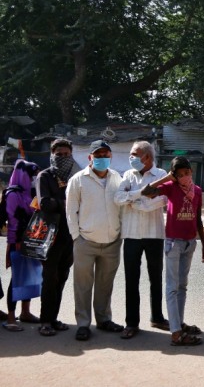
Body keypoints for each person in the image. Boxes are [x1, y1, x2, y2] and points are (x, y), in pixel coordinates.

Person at [142, 156, 204, 346]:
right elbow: (147, 192)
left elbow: (197, 219)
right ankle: (176, 333)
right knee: (172, 287)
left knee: (182, 286)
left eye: (187, 173)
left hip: (189, 242)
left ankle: (178, 323)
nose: (184, 177)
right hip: (173, 243)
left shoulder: (196, 190)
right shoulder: (170, 188)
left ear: (191, 172)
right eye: (179, 175)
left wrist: (203, 244)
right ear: (174, 176)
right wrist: (167, 179)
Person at [66, 140, 124, 341]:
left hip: (112, 242)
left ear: (111, 156)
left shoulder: (117, 178)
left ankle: (104, 319)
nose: (101, 158)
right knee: (82, 285)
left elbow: (122, 206)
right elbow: (71, 211)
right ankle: (83, 324)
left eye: (105, 154)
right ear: (90, 158)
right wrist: (76, 237)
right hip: (85, 241)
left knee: (105, 284)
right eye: (97, 155)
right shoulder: (78, 180)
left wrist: (119, 233)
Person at [114, 141, 170, 339]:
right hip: (131, 235)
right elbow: (118, 198)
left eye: (135, 154)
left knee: (156, 277)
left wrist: (136, 204)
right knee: (131, 280)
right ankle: (132, 323)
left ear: (147, 157)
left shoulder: (161, 175)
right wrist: (139, 194)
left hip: (154, 234)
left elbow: (162, 200)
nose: (132, 158)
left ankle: (157, 316)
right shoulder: (129, 175)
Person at [36, 139, 76, 336]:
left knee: (62, 278)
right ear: (52, 155)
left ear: (71, 155)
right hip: (50, 237)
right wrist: (67, 203)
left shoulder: (75, 177)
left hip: (70, 235)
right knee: (49, 279)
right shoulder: (44, 176)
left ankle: (54, 318)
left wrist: (59, 203)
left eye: (66, 154)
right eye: (58, 154)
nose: (62, 157)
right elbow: (44, 204)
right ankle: (45, 321)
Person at [2, 159, 40, 332]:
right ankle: (11, 318)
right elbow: (13, 222)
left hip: (34, 240)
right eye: (30, 175)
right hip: (18, 242)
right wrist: (13, 245)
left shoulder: (32, 192)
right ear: (21, 175)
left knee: (31, 278)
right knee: (17, 280)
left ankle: (26, 312)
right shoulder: (12, 194)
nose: (33, 178)